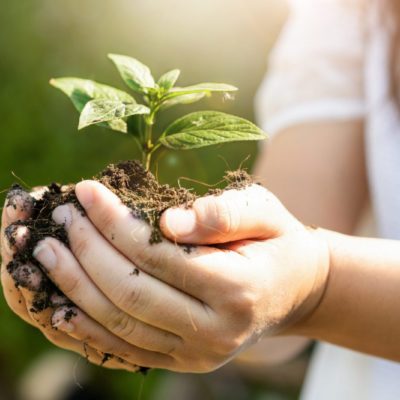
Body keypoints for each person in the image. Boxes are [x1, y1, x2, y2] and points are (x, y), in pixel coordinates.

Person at [1, 0, 400, 397]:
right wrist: (206, 305)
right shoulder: (350, 16)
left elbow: (302, 284)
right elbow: (272, 309)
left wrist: (320, 288)